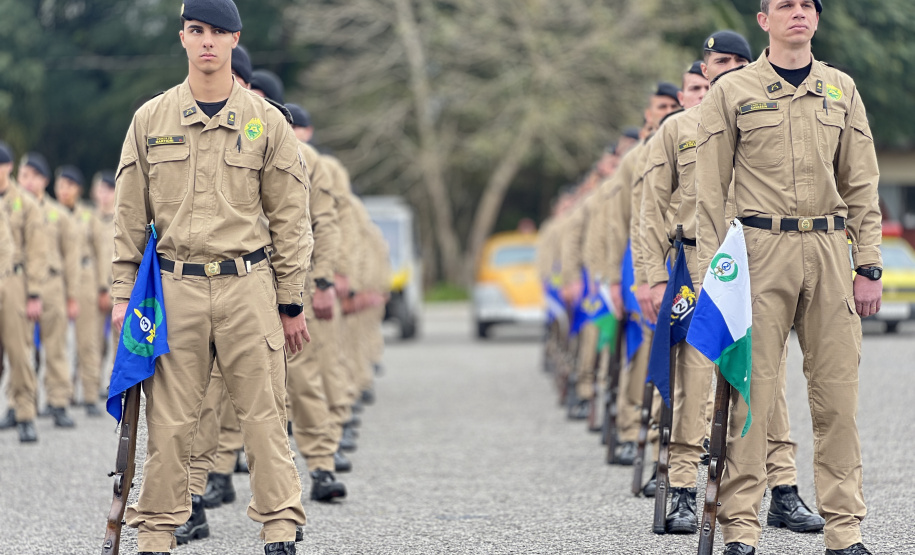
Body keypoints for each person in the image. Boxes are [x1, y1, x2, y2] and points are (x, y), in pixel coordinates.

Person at [111, 0, 312, 552]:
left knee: (264, 413)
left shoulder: (266, 120)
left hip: (249, 286)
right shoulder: (150, 119)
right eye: (196, 30)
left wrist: (290, 302)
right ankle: (156, 530)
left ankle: (279, 526)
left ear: (234, 39)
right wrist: (122, 295)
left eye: (217, 32)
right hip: (176, 289)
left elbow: (291, 218)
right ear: (182, 37)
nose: (206, 41)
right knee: (172, 421)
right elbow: (129, 218)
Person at [695, 1, 881, 554]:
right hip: (758, 250)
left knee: (837, 401)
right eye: (785, 5)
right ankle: (742, 532)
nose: (797, 13)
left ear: (817, 20)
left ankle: (845, 534)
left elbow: (863, 185)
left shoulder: (842, 89)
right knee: (751, 395)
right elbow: (708, 192)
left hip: (828, 249)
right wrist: (712, 276)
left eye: (807, 5)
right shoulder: (731, 92)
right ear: (764, 20)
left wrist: (868, 264)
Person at [19, 154, 80, 428]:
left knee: (55, 347)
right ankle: (19, 405)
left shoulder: (58, 214)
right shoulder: (12, 209)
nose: (28, 181)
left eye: (33, 175)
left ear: (44, 180)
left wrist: (72, 297)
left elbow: (71, 259)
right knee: (20, 348)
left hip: (53, 284)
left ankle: (58, 402)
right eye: (23, 175)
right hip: (22, 284)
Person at [0, 141, 47, 443]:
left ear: (8, 168)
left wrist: (34, 294)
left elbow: (37, 252)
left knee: (19, 351)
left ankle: (26, 414)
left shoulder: (25, 204)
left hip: (15, 283)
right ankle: (11, 407)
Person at [55, 165, 107, 415]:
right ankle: (59, 397)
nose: (65, 190)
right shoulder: (48, 213)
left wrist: (102, 287)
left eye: (70, 185)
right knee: (56, 341)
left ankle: (89, 394)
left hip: (86, 279)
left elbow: (101, 253)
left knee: (89, 341)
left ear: (78, 189)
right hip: (56, 279)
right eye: (61, 184)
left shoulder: (89, 216)